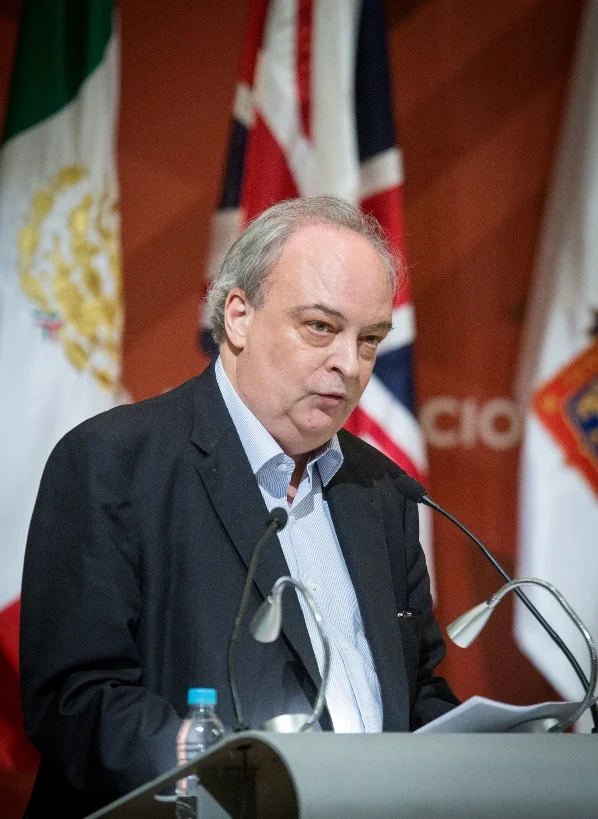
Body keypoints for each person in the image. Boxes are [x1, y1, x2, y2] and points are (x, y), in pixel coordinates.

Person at [20, 195, 458, 817]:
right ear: (238, 316)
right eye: (321, 327)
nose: (349, 364)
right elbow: (76, 699)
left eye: (370, 340)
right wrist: (217, 770)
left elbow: (417, 692)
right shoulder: (113, 462)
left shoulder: (382, 490)